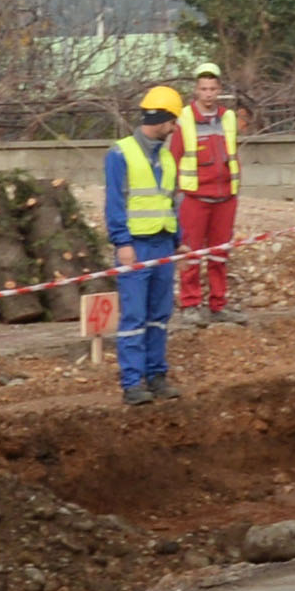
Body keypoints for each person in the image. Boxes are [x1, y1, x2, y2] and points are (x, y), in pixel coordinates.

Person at [103, 87, 188, 407]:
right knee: (134, 316)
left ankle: (156, 375)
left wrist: (178, 240)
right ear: (162, 119)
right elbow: (115, 202)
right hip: (136, 246)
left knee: (159, 315)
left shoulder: (166, 157)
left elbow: (170, 202)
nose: (174, 128)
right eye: (173, 121)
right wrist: (122, 242)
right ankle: (132, 382)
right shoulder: (120, 154)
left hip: (163, 244)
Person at [175, 68, 243, 316]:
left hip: (225, 197)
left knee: (219, 254)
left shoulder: (228, 118)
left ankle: (218, 304)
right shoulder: (184, 118)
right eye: (204, 89)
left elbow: (232, 153)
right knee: (191, 254)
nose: (208, 94)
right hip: (194, 197)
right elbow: (174, 156)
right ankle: (190, 304)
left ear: (220, 90)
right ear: (196, 90)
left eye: (213, 89)